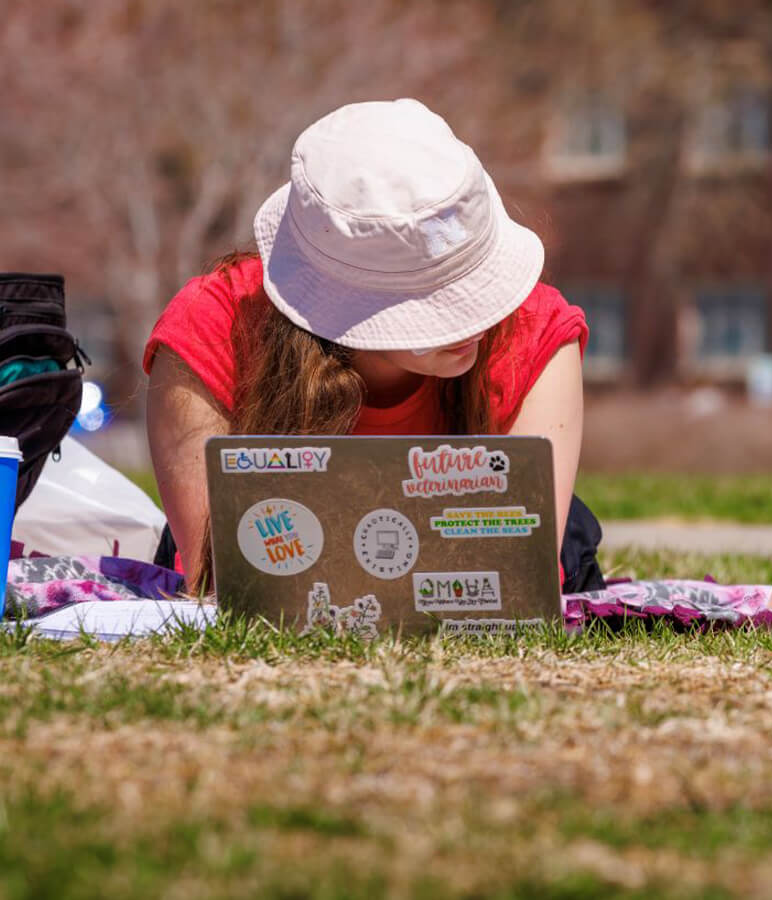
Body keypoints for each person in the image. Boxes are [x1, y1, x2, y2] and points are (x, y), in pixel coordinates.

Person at [144, 99, 601, 594]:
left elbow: (518, 584)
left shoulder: (533, 327)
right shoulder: (215, 324)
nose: (478, 321)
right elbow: (217, 585)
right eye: (435, 303)